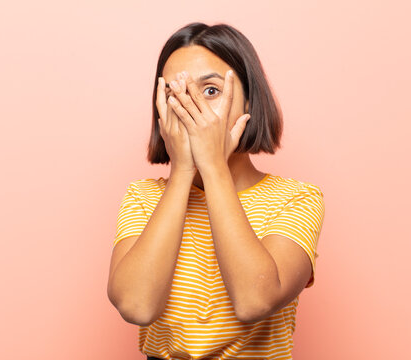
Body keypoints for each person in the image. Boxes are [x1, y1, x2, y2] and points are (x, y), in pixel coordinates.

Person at [107, 22, 325, 360]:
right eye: (173, 96)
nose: (190, 108)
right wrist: (182, 170)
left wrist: (213, 166)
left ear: (250, 99)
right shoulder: (143, 197)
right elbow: (136, 305)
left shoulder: (296, 199)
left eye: (210, 91)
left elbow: (254, 300)